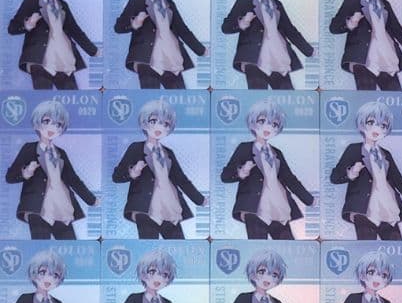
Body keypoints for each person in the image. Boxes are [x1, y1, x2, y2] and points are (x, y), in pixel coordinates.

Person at [219, 99, 315, 240]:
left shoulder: (277, 153)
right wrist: (241, 171)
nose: (268, 127)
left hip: (278, 207)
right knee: (258, 246)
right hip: (254, 209)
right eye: (262, 121)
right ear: (252, 123)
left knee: (287, 244)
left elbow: (290, 179)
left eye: (274, 124)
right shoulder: (244, 148)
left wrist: (309, 199)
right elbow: (225, 176)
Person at [112, 99, 206, 239]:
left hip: (170, 206)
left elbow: (181, 179)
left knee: (178, 245)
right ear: (144, 123)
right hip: (145, 208)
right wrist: (132, 173)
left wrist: (200, 200)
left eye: (165, 124)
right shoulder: (136, 148)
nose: (159, 127)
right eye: (153, 121)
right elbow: (117, 176)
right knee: (149, 246)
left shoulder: (168, 152)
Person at [221, 0, 315, 90]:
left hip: (278, 56)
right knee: (258, 95)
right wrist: (241, 23)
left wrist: (309, 51)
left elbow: (290, 30)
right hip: (254, 57)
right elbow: (226, 27)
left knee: (286, 94)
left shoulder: (277, 4)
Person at [5, 99, 97, 240]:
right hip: (37, 208)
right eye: (47, 121)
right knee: (41, 246)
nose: (52, 128)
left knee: (70, 244)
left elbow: (73, 179)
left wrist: (91, 200)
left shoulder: (61, 153)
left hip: (61, 207)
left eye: (58, 124)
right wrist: (25, 173)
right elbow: (10, 176)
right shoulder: (29, 148)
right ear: (37, 122)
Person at [114, 0, 207, 90]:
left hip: (171, 57)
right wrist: (134, 24)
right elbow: (119, 27)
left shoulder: (169, 3)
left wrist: (201, 50)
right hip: (147, 59)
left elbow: (183, 30)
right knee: (150, 96)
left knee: (179, 95)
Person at [331, 101, 402, 241]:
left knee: (396, 245)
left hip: (387, 207)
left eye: (383, 125)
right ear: (361, 124)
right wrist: (350, 174)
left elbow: (399, 181)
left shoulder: (386, 154)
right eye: (371, 122)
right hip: (363, 209)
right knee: (367, 247)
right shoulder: (354, 149)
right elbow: (335, 177)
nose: (377, 128)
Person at [7, 0, 99, 90]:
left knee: (71, 95)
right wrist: (27, 25)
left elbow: (75, 30)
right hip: (40, 59)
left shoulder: (63, 4)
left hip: (63, 57)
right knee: (43, 96)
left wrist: (94, 51)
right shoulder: (31, 1)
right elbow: (12, 28)